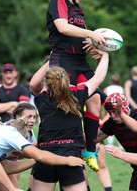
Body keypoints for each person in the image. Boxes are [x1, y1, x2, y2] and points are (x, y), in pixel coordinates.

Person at [39, 0, 109, 171]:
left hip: (80, 61)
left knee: (95, 99)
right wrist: (91, 34)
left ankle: (89, 150)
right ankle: (52, 145)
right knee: (61, 101)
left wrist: (93, 45)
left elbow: (81, 35)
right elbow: (63, 28)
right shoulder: (58, 1)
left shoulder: (77, 10)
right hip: (62, 59)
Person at [0, 87, 86, 191]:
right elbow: (39, 155)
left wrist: (35, 160)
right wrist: (66, 160)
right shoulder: (8, 132)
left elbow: (4, 165)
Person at [29, 48, 109, 190]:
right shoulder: (77, 95)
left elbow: (33, 84)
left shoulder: (42, 98)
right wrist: (105, 55)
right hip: (71, 158)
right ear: (67, 80)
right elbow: (99, 77)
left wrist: (51, 60)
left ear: (47, 83)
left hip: (46, 156)